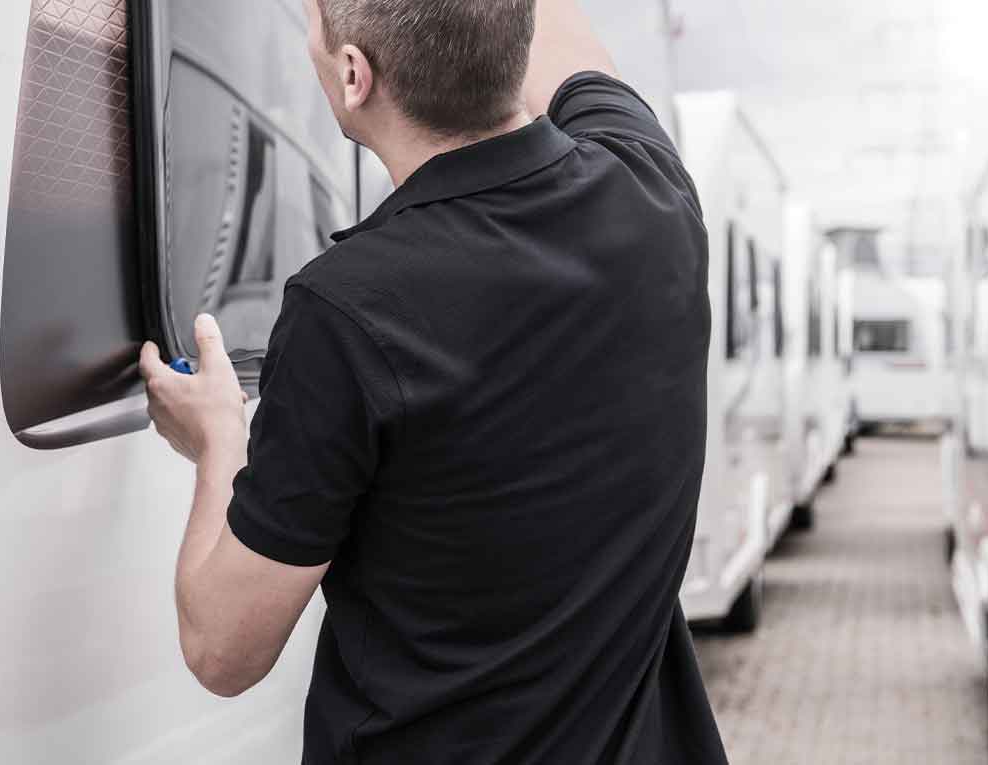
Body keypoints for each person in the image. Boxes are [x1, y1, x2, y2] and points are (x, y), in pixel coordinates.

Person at [138, 0, 725, 762]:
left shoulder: (347, 315)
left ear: (355, 75)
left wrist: (219, 438)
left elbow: (223, 647)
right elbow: (563, 33)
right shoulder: (654, 197)